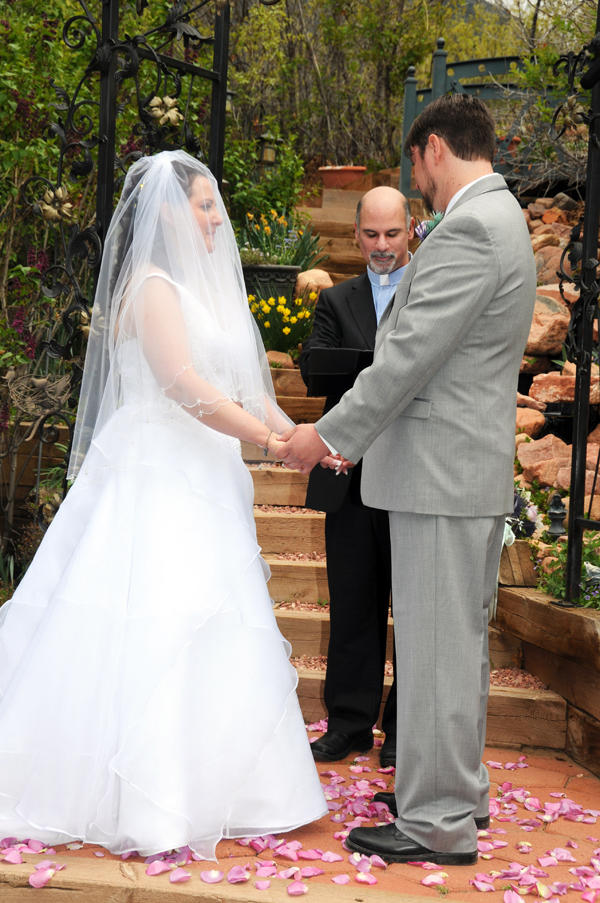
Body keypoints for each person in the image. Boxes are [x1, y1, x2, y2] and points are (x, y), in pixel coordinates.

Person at [0, 151, 327, 858]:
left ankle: (227, 786)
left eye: (216, 205)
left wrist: (309, 436)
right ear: (169, 211)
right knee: (150, 621)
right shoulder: (150, 288)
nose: (218, 219)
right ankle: (135, 794)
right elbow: (182, 383)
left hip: (205, 478)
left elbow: (247, 384)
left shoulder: (211, 294)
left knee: (215, 625)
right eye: (205, 205)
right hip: (154, 475)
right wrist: (268, 444)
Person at [278, 94, 536, 865]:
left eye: (414, 165)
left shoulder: (469, 230)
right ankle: (454, 790)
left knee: (435, 654)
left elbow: (406, 358)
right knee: (450, 651)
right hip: (452, 473)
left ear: (429, 150)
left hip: (438, 477)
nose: (416, 181)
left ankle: (437, 822)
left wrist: (327, 435)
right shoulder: (503, 221)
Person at [299, 187, 415, 766]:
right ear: (355, 236)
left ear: (410, 231)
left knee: (413, 607)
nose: (382, 246)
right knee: (352, 601)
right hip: (349, 475)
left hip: (416, 473)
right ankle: (348, 722)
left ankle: (402, 731)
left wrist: (362, 370)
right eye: (371, 234)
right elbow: (316, 368)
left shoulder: (430, 292)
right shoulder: (337, 299)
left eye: (391, 233)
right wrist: (376, 371)